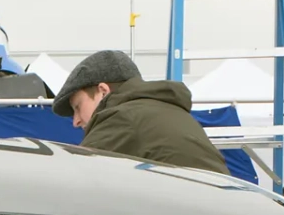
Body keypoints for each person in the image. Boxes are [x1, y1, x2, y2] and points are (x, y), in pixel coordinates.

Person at [52, 50, 228, 173]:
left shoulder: (121, 118)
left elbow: (80, 179)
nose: (75, 121)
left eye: (77, 107)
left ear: (103, 92)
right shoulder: (169, 112)